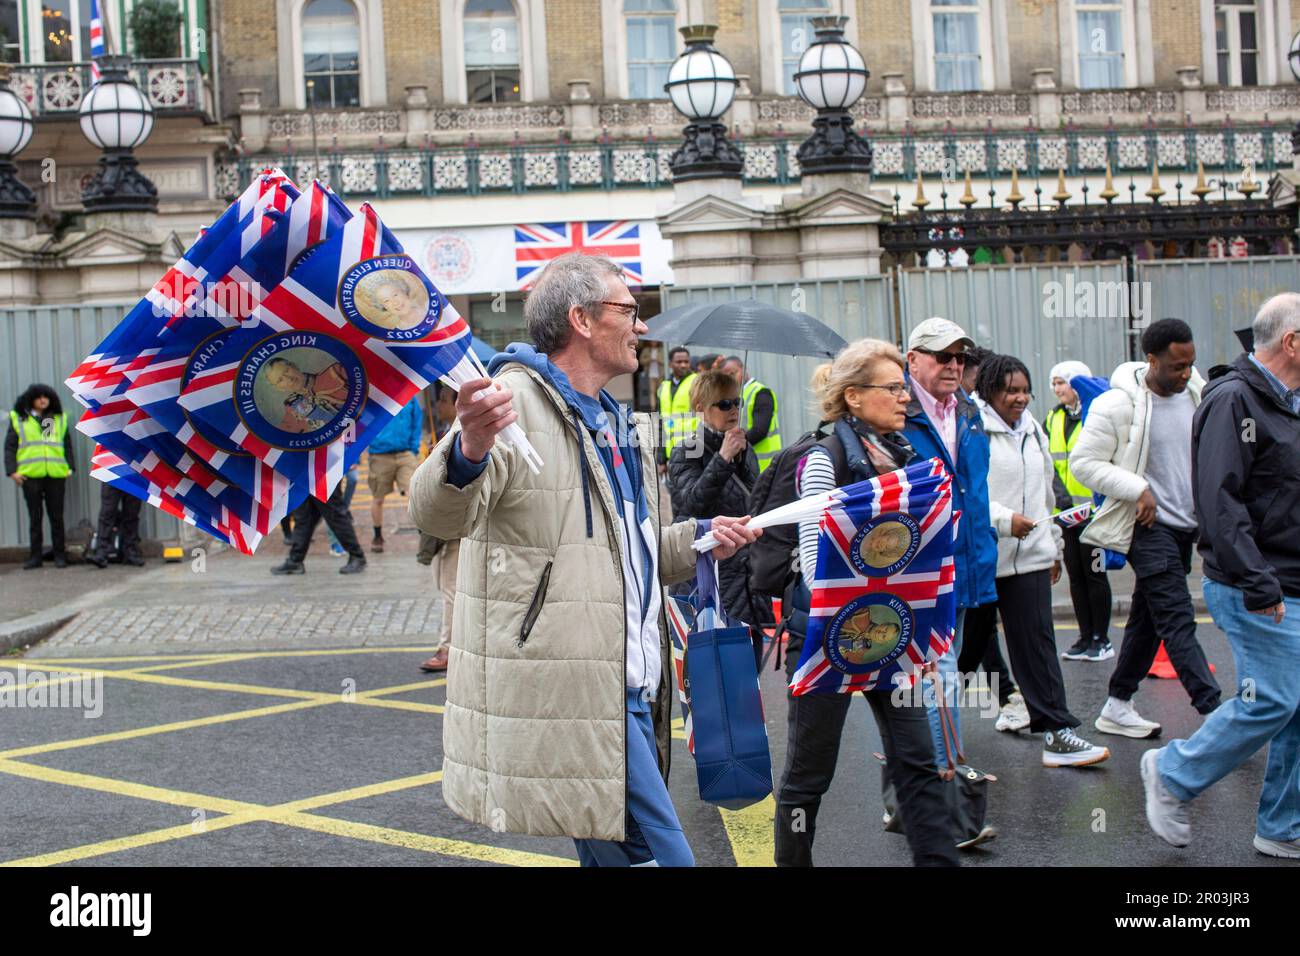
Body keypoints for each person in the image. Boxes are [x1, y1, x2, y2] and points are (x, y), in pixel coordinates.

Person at [408, 252, 758, 867]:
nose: (643, 326)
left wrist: (701, 535)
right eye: (628, 310)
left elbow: (635, 549)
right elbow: (438, 515)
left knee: (618, 856)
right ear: (583, 320)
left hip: (633, 677)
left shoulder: (619, 420)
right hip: (583, 688)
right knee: (669, 855)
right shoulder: (511, 404)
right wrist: (468, 448)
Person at [775, 338, 961, 866]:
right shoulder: (822, 458)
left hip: (893, 637)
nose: (906, 397)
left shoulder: (904, 457)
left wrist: (918, 636)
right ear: (854, 397)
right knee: (809, 777)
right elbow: (814, 564)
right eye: (894, 388)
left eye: (906, 387)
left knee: (918, 762)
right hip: (827, 637)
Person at [1141, 292, 1300, 860]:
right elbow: (1220, 500)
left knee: (1293, 705)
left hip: (1286, 580)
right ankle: (1172, 773)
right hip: (1256, 584)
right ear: (1292, 343)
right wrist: (1260, 581)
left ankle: (1281, 825)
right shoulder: (1234, 400)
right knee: (1272, 699)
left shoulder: (1287, 402)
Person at [1071, 318, 1221, 739]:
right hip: (1146, 526)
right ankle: (1214, 713)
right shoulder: (1117, 405)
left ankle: (1117, 704)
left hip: (1185, 528)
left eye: (1190, 363)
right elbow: (1084, 464)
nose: (1186, 372)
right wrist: (1137, 487)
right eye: (1176, 365)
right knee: (1176, 616)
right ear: (1151, 359)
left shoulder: (1196, 392)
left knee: (1148, 619)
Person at [975, 354, 1110, 767]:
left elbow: (1046, 494)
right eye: (1009, 391)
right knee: (964, 652)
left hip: (1030, 559)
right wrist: (1002, 521)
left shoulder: (1033, 427)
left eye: (1024, 390)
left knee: (1038, 647)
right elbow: (968, 493)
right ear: (989, 391)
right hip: (983, 558)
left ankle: (1058, 733)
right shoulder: (971, 429)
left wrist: (1051, 544)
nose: (1019, 399)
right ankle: (919, 748)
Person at [901, 318, 999, 764]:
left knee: (924, 678)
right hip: (916, 568)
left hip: (964, 562)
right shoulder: (898, 412)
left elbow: (975, 491)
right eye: (943, 356)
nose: (955, 365)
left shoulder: (968, 411)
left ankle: (908, 795)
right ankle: (944, 784)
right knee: (936, 675)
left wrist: (985, 548)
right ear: (913, 359)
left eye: (961, 357)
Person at [668, 370, 767, 669]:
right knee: (710, 677)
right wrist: (722, 459)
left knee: (749, 672)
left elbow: (753, 500)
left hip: (746, 574)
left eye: (736, 402)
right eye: (723, 404)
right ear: (701, 408)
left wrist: (737, 456)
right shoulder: (686, 449)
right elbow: (690, 504)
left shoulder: (742, 446)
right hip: (706, 577)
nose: (734, 410)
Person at [1046, 360, 1114, 662]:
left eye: (1065, 382)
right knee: (1076, 577)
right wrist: (1061, 501)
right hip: (1067, 512)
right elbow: (1051, 463)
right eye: (1056, 383)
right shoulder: (1053, 418)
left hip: (1095, 512)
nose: (1060, 389)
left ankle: (1103, 638)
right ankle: (1085, 636)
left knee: (1095, 574)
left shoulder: (1096, 415)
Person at [6, 384, 75, 570]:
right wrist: (12, 471)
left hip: (55, 474)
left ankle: (59, 555)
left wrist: (70, 467)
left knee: (56, 517)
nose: (43, 400)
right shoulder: (21, 419)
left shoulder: (53, 419)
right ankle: (35, 557)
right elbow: (10, 446)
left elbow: (63, 444)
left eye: (46, 396)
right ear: (31, 399)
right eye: (39, 397)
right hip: (30, 476)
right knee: (35, 518)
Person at [420, 384, 460, 674]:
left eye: (444, 400)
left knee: (450, 589)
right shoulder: (446, 434)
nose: (439, 406)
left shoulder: (460, 436)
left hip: (453, 529)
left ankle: (448, 648)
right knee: (444, 585)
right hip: (440, 529)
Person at [270, 479, 367, 575]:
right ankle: (295, 559)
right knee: (304, 518)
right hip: (303, 475)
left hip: (321, 474)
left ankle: (357, 555)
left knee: (334, 515)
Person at [366, 397, 422, 553]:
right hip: (379, 454)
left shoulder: (410, 396)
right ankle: (377, 536)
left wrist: (413, 448)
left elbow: (417, 420)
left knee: (413, 494)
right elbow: (363, 423)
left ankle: (423, 536)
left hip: (405, 453)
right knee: (378, 498)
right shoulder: (376, 396)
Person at [721, 356, 783, 474]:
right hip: (746, 464)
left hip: (765, 464)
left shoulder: (760, 393)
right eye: (726, 376)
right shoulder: (734, 395)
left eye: (733, 373)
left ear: (744, 370)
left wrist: (735, 445)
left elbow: (760, 430)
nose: (730, 378)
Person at [656, 346, 696, 476]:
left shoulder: (698, 382)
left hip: (693, 452)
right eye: (679, 362)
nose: (683, 365)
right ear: (670, 364)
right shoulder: (664, 387)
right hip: (672, 454)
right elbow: (661, 424)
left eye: (686, 361)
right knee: (675, 494)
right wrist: (661, 459)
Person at [87, 482, 145, 568]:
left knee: (131, 515)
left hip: (134, 474)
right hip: (111, 472)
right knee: (107, 513)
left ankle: (131, 552)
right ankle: (101, 553)